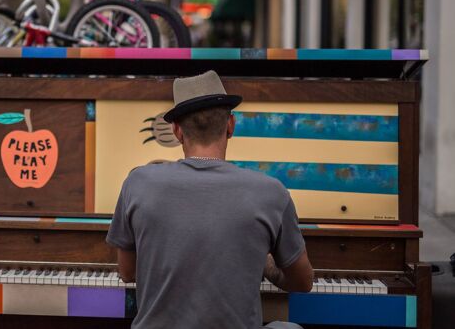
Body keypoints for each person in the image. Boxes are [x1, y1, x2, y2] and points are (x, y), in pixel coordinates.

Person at [107, 70, 314, 329]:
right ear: (231, 125)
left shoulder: (137, 183)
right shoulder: (271, 191)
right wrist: (265, 264)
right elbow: (303, 282)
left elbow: (127, 272)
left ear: (176, 131)